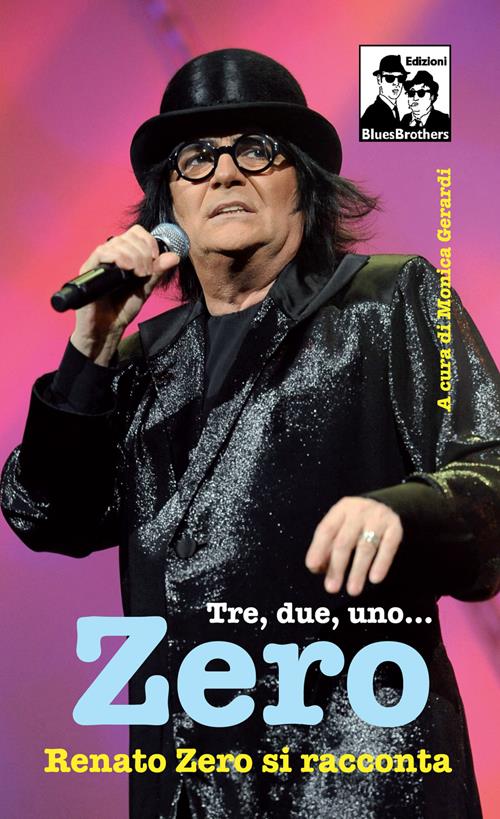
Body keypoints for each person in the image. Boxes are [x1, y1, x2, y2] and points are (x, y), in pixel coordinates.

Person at [1, 48, 499, 819]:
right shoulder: (141, 360)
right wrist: (89, 352)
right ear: (168, 204)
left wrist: (404, 509)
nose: (225, 173)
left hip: (359, 786)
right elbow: (47, 514)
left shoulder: (389, 300)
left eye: (256, 150)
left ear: (304, 181)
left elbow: (491, 472)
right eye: (196, 157)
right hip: (190, 790)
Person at [360, 54, 408, 132]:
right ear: (379, 79)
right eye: (390, 78)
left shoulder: (394, 110)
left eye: (401, 78)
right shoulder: (373, 113)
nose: (396, 83)